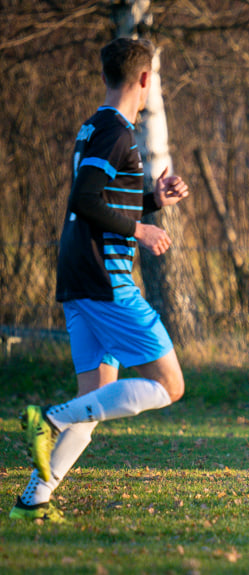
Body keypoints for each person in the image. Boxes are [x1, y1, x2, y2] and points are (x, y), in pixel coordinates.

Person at [12, 37, 189, 522]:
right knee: (170, 385)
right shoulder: (116, 132)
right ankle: (50, 418)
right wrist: (141, 228)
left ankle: (34, 499)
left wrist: (153, 199)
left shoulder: (95, 126)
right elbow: (85, 200)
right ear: (146, 80)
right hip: (104, 278)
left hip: (78, 274)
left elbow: (102, 198)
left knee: (95, 402)